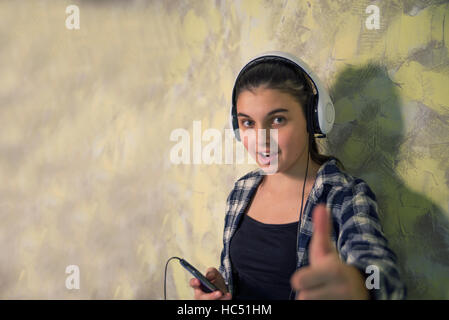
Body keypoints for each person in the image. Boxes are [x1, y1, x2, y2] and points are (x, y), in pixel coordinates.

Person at [189, 52, 406, 300]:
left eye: (278, 119)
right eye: (248, 123)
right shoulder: (241, 191)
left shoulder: (344, 195)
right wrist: (223, 293)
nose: (261, 140)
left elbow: (383, 277)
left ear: (313, 118)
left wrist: (359, 288)